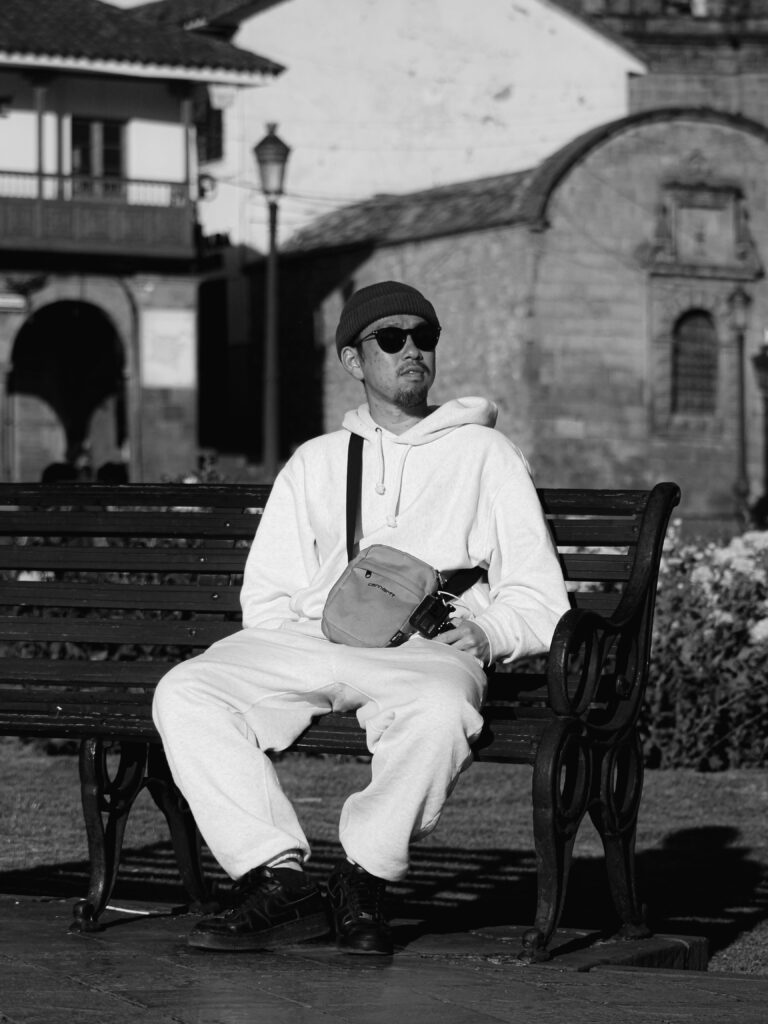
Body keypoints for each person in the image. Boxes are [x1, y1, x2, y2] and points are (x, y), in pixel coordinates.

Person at [153, 280, 570, 956]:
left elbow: (540, 596)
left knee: (442, 710)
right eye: (392, 338)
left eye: (424, 337)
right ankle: (276, 877)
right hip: (311, 643)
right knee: (187, 689)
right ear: (353, 360)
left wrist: (491, 633)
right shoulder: (317, 461)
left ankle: (364, 877)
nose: (413, 350)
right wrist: (311, 655)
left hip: (424, 648)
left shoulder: (485, 456)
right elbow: (266, 594)